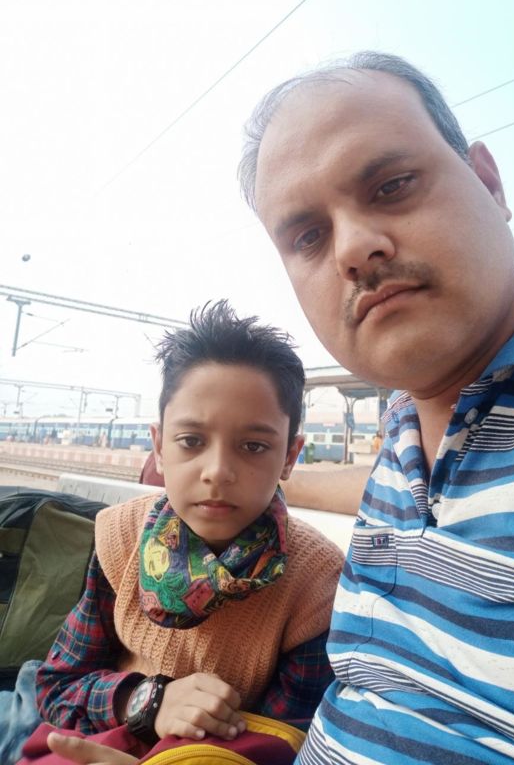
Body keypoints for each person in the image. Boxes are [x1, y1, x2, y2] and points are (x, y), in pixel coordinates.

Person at [51, 50, 514, 765]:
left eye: (392, 186)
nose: (354, 249)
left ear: (490, 182)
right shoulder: (404, 436)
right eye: (308, 236)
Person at [33, 300, 343, 759]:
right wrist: (146, 701)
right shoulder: (121, 539)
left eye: (253, 446)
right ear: (159, 448)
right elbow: (57, 686)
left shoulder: (316, 583)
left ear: (290, 456)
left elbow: (285, 742)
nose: (217, 471)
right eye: (191, 441)